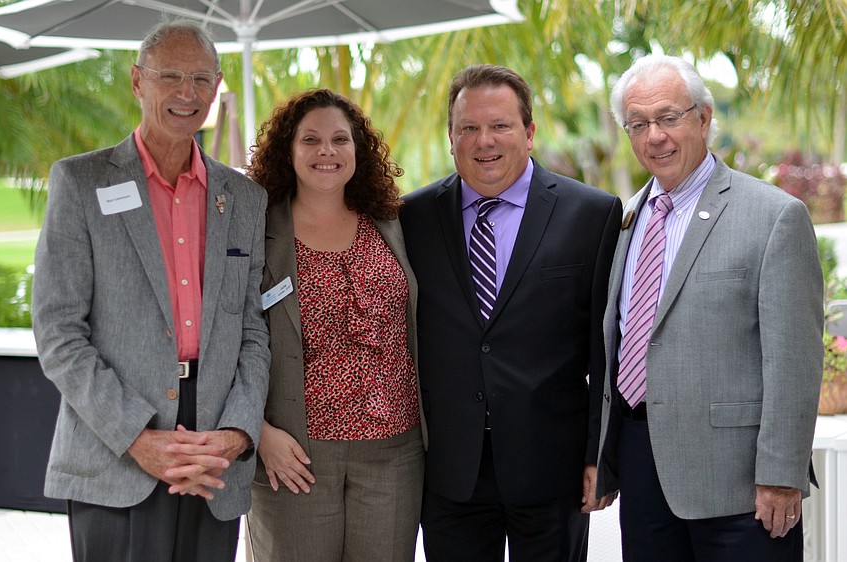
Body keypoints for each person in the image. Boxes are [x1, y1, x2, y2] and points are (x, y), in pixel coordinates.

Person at [31, 20, 270, 561]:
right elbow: (58, 335)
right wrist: (138, 438)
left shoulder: (245, 198)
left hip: (214, 461)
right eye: (170, 77)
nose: (187, 93)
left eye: (201, 79)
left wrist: (235, 434)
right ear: (138, 81)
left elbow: (254, 329)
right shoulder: (82, 183)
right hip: (115, 449)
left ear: (217, 84)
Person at [595, 54, 824, 561]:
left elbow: (794, 359)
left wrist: (781, 474)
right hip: (643, 469)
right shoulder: (627, 219)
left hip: (742, 487)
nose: (655, 135)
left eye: (668, 117)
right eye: (638, 124)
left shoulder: (774, 216)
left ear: (703, 116)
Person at [400, 64, 622, 562]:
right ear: (451, 138)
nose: (485, 141)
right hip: (450, 471)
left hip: (551, 468)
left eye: (499, 125)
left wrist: (597, 455)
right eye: (469, 128)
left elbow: (605, 348)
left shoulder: (591, 213)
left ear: (529, 132)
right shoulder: (410, 218)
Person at [245, 88, 425, 562]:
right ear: (288, 150)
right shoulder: (256, 234)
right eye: (311, 139)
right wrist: (258, 432)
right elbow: (229, 337)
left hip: (394, 453)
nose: (327, 151)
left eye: (340, 139)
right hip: (295, 453)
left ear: (357, 150)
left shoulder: (392, 223)